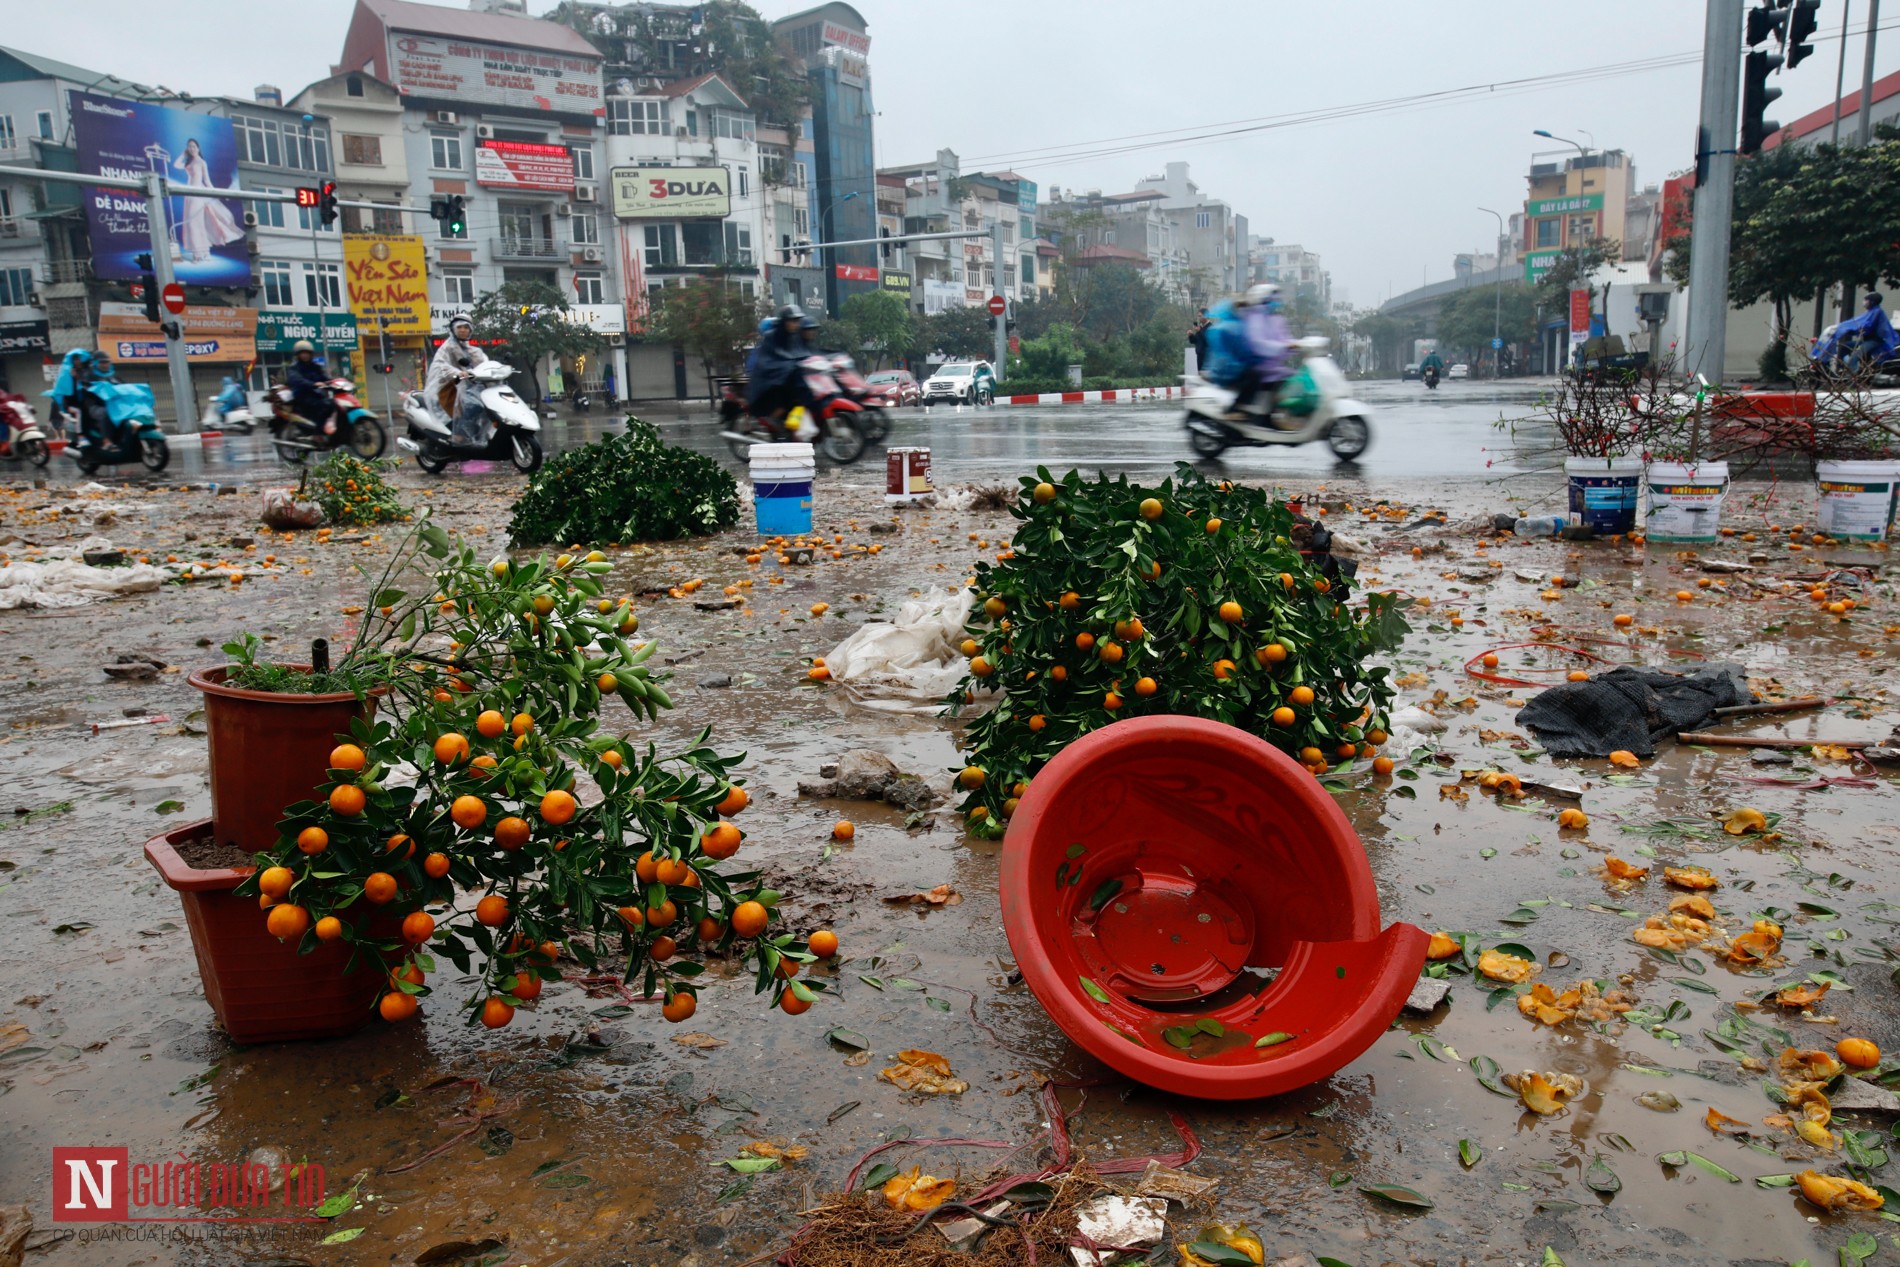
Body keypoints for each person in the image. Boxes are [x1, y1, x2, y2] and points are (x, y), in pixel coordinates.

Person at [170, 138, 244, 263]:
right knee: (191, 224)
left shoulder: (201, 162)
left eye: (194, 146)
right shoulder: (189, 162)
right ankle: (198, 252)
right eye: (189, 147)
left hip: (198, 194)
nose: (192, 149)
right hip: (189, 194)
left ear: (198, 148)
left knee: (196, 223)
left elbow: (207, 180)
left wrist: (214, 192)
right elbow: (176, 165)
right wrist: (183, 153)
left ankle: (201, 253)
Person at [426, 314, 490, 443]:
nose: (463, 330)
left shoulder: (472, 349)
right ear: (453, 329)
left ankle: (479, 434)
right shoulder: (447, 347)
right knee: (470, 405)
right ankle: (458, 435)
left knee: (483, 405)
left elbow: (483, 363)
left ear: (471, 330)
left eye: (466, 327)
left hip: (469, 387)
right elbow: (440, 365)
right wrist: (458, 373)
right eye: (459, 327)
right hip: (448, 388)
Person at [1233, 283, 1293, 421]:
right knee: (1283, 381)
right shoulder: (1255, 318)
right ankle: (1266, 418)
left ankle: (1276, 417)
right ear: (1262, 300)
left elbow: (1282, 339)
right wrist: (1282, 347)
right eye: (1272, 300)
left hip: (1271, 367)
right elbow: (1258, 344)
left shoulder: (1270, 319)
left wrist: (1296, 345)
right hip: (1259, 367)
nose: (1275, 303)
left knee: (1294, 378)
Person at [285, 341, 331, 429]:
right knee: (324, 405)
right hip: (302, 396)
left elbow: (324, 377)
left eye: (307, 353)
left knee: (333, 404)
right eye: (302, 353)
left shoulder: (315, 366)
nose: (305, 355)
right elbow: (298, 380)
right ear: (298, 355)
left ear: (311, 354)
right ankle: (318, 433)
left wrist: (335, 382)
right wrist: (313, 384)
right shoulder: (294, 367)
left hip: (315, 394)